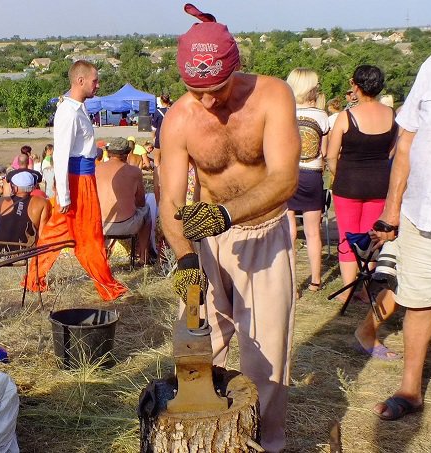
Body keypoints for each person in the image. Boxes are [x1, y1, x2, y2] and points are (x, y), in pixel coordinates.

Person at [158, 6, 300, 451]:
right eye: (194, 91)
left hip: (264, 236)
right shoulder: (179, 119)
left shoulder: (273, 96)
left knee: (265, 357)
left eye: (215, 89)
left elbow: (285, 178)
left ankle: (264, 442)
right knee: (201, 342)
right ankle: (201, 436)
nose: (206, 102)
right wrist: (184, 259)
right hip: (207, 242)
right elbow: (170, 201)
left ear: (233, 69)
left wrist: (227, 213)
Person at [370, 48, 431, 422]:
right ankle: (411, 390)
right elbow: (406, 144)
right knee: (418, 300)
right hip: (422, 212)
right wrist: (391, 209)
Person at [24, 60, 127, 302]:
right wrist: (66, 194)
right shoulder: (68, 112)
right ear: (80, 81)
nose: (98, 85)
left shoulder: (77, 108)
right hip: (78, 179)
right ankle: (106, 285)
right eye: (95, 80)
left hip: (83, 177)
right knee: (89, 234)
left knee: (59, 231)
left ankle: (33, 277)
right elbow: (61, 154)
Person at [326, 65, 398, 303]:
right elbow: (392, 152)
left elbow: (331, 154)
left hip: (348, 184)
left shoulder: (346, 117)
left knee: (348, 235)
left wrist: (339, 173)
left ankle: (348, 289)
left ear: (355, 86)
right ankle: (366, 290)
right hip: (379, 183)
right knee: (371, 237)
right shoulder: (392, 115)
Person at [285, 68, 330, 294]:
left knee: (289, 231)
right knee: (313, 232)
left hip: (289, 174)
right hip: (312, 175)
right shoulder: (322, 116)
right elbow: (324, 152)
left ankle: (292, 283)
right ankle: (315, 280)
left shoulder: (285, 112)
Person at [96, 137, 151, 264]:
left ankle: (102, 255)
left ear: (109, 153)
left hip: (101, 225)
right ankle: (144, 256)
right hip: (127, 226)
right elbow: (141, 202)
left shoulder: (96, 169)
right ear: (127, 154)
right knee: (146, 210)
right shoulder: (134, 172)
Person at [0, 171, 51, 250]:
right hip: (23, 252)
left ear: (15, 188)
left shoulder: (4, 200)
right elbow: (42, 233)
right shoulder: (43, 203)